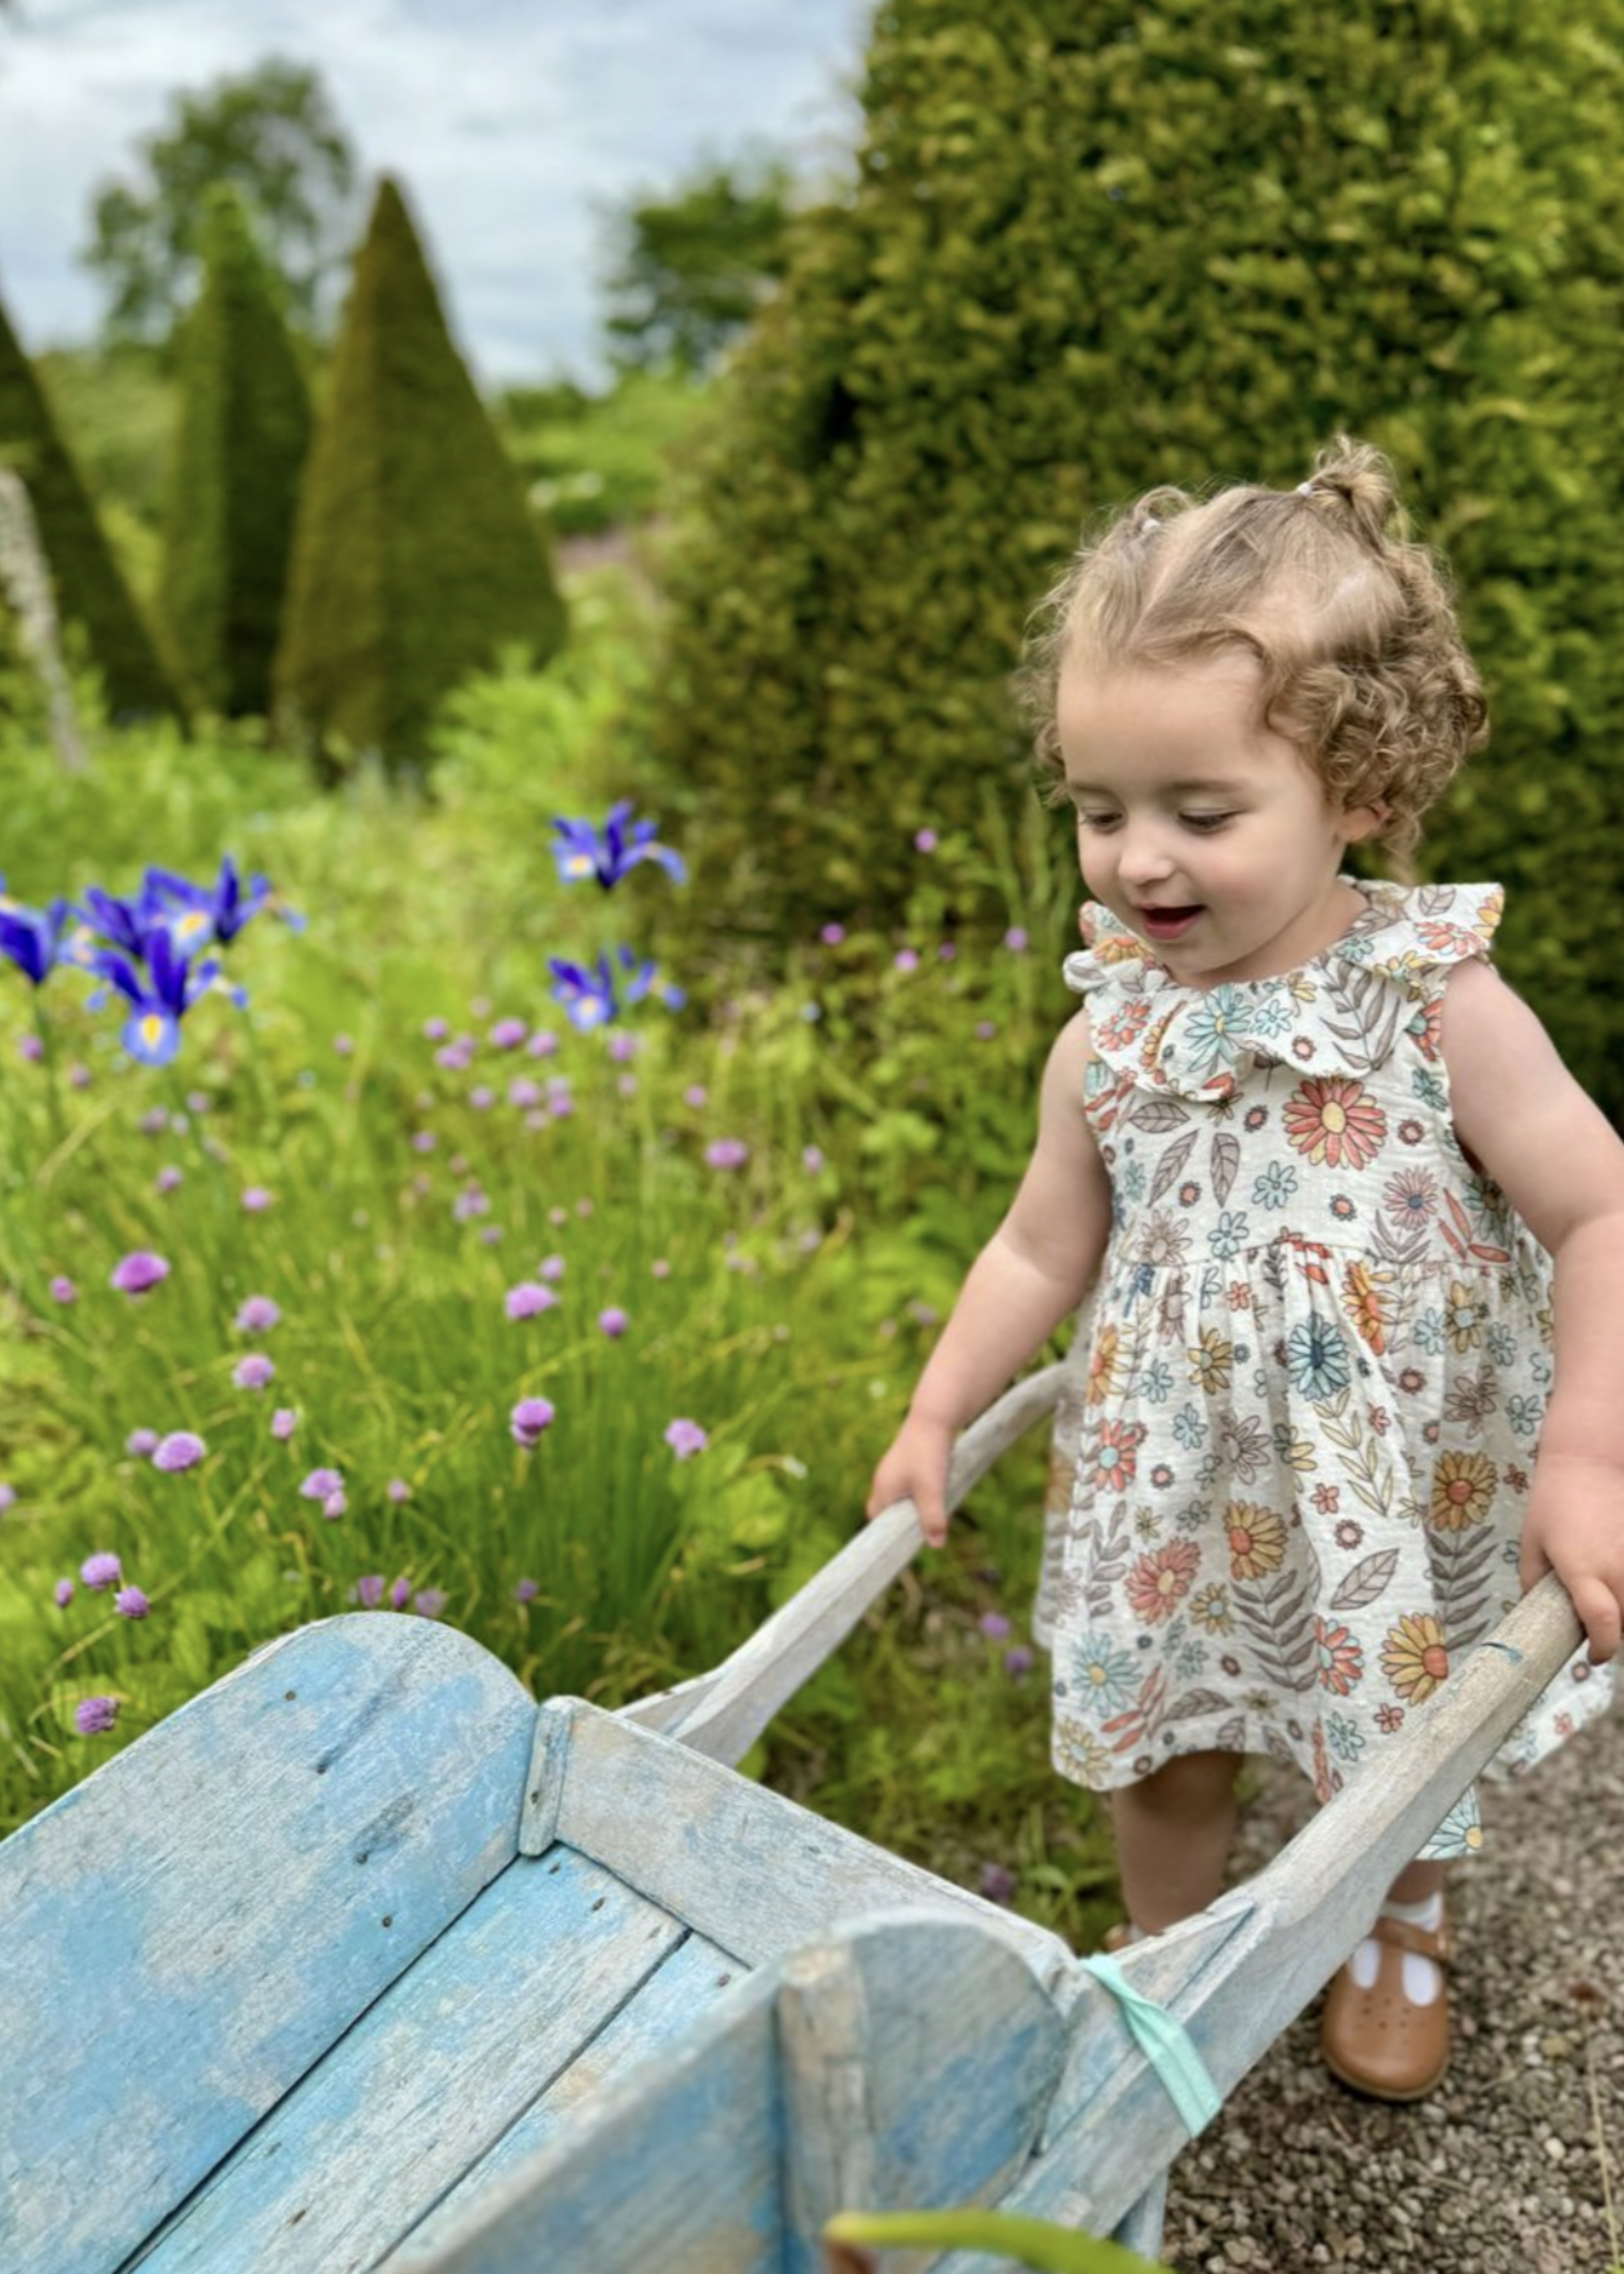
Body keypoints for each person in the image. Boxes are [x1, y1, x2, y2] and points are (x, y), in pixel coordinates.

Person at [865, 435, 1624, 2103]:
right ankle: (1167, 1959)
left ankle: (1395, 1919)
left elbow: (1599, 1209)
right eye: (1098, 809)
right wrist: (936, 1409)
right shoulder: (1111, 1036)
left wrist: (1586, 1456)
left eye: (1201, 812)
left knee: (1395, 1731)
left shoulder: (1437, 1008)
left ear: (1362, 791)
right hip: (1180, 1479)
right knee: (1170, 1736)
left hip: (1389, 1474)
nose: (1140, 861)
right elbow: (1034, 1242)